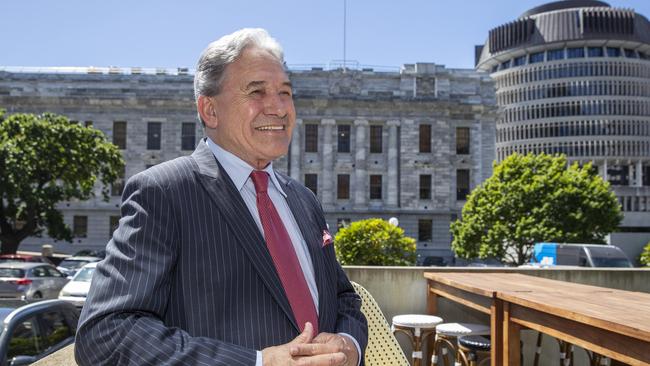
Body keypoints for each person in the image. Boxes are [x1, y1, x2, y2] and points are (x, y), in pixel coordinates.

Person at [74, 28, 368, 366]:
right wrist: (257, 362)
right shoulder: (164, 193)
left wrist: (348, 344)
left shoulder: (303, 199)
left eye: (285, 92)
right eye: (256, 91)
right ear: (210, 110)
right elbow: (106, 335)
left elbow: (344, 297)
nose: (278, 107)